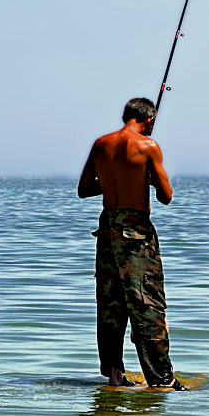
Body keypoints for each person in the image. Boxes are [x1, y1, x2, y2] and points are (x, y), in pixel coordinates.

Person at [78, 97, 185, 390]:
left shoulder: (101, 143)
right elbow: (166, 196)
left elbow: (84, 189)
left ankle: (114, 377)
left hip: (107, 231)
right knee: (147, 304)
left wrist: (115, 181)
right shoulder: (148, 146)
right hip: (136, 234)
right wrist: (143, 178)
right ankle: (162, 380)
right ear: (149, 121)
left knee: (110, 306)